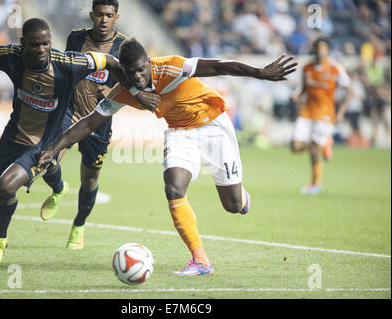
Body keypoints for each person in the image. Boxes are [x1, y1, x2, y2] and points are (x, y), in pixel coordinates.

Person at [37, 38, 297, 276]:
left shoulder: (172, 67)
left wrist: (260, 73)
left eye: (141, 69)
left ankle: (241, 197)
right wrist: (53, 148)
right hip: (180, 132)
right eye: (131, 72)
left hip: (213, 125)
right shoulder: (122, 92)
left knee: (233, 205)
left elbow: (218, 65)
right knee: (173, 187)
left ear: (149, 63)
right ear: (123, 72)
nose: (137, 76)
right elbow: (88, 123)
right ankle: (201, 260)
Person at [0, 18, 159, 267]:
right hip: (13, 138)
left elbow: (109, 61)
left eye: (46, 43)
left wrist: (137, 92)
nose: (42, 49)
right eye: (35, 45)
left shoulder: (68, 63)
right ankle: (19, 218)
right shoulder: (11, 55)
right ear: (23, 44)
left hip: (44, 142)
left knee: (6, 186)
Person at [39, 0, 128, 251]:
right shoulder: (76, 39)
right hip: (70, 111)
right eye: (99, 14)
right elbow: (68, 70)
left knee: (89, 181)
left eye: (109, 15)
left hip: (99, 119)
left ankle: (79, 226)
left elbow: (135, 82)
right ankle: (59, 189)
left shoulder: (124, 46)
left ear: (116, 17)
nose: (103, 20)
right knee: (48, 160)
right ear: (91, 14)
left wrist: (112, 90)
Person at [290, 37, 351, 194]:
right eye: (317, 47)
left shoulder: (335, 68)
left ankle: (315, 184)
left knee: (313, 149)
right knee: (295, 147)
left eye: (323, 48)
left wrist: (341, 111)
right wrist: (297, 95)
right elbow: (303, 88)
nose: (320, 51)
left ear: (328, 50)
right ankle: (326, 144)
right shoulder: (307, 67)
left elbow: (349, 90)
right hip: (307, 111)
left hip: (325, 113)